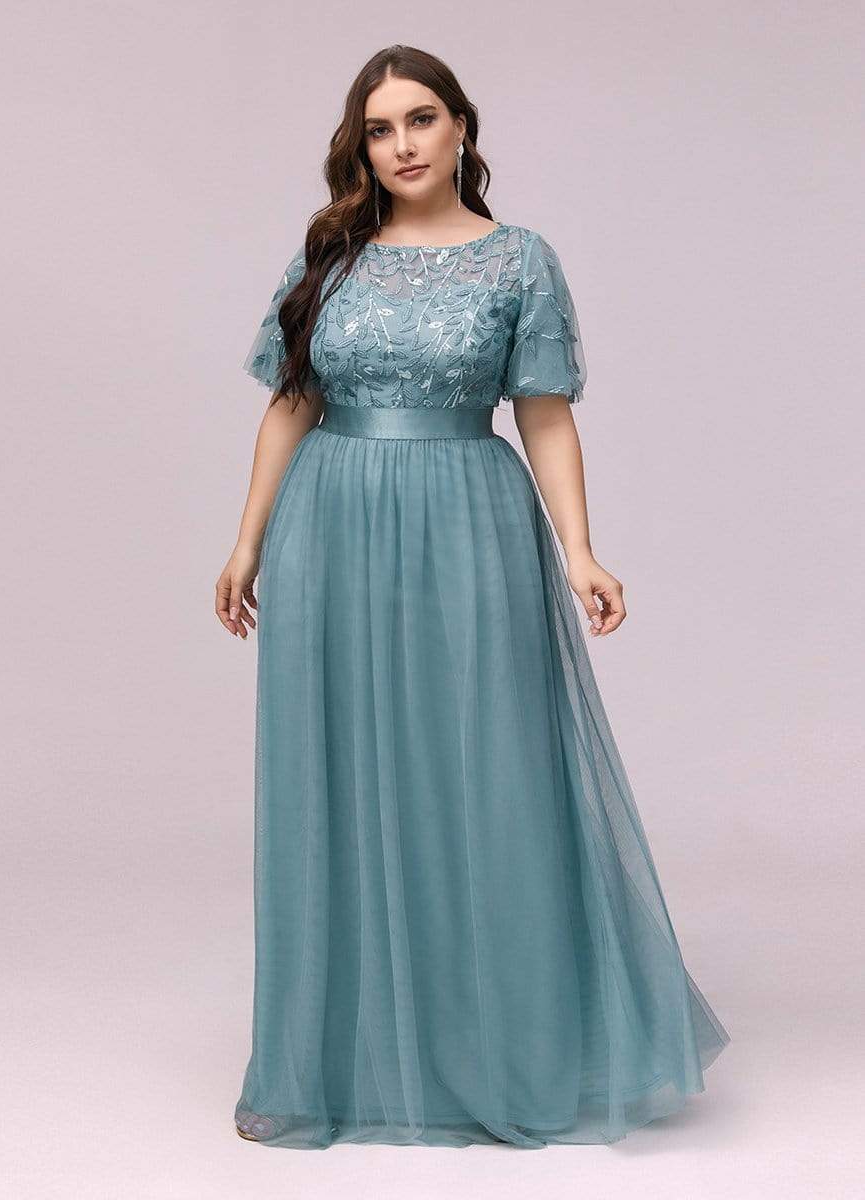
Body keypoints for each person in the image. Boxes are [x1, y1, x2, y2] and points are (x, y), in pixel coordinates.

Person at [216, 44, 730, 1150]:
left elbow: (544, 410)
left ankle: (500, 1050)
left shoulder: (520, 260)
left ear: (461, 128)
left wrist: (581, 551)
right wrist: (247, 541)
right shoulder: (328, 257)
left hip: (470, 522)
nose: (401, 144)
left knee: (487, 773)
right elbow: (290, 403)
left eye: (421, 119)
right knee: (343, 777)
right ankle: (351, 1057)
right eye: (380, 128)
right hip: (330, 525)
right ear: (361, 147)